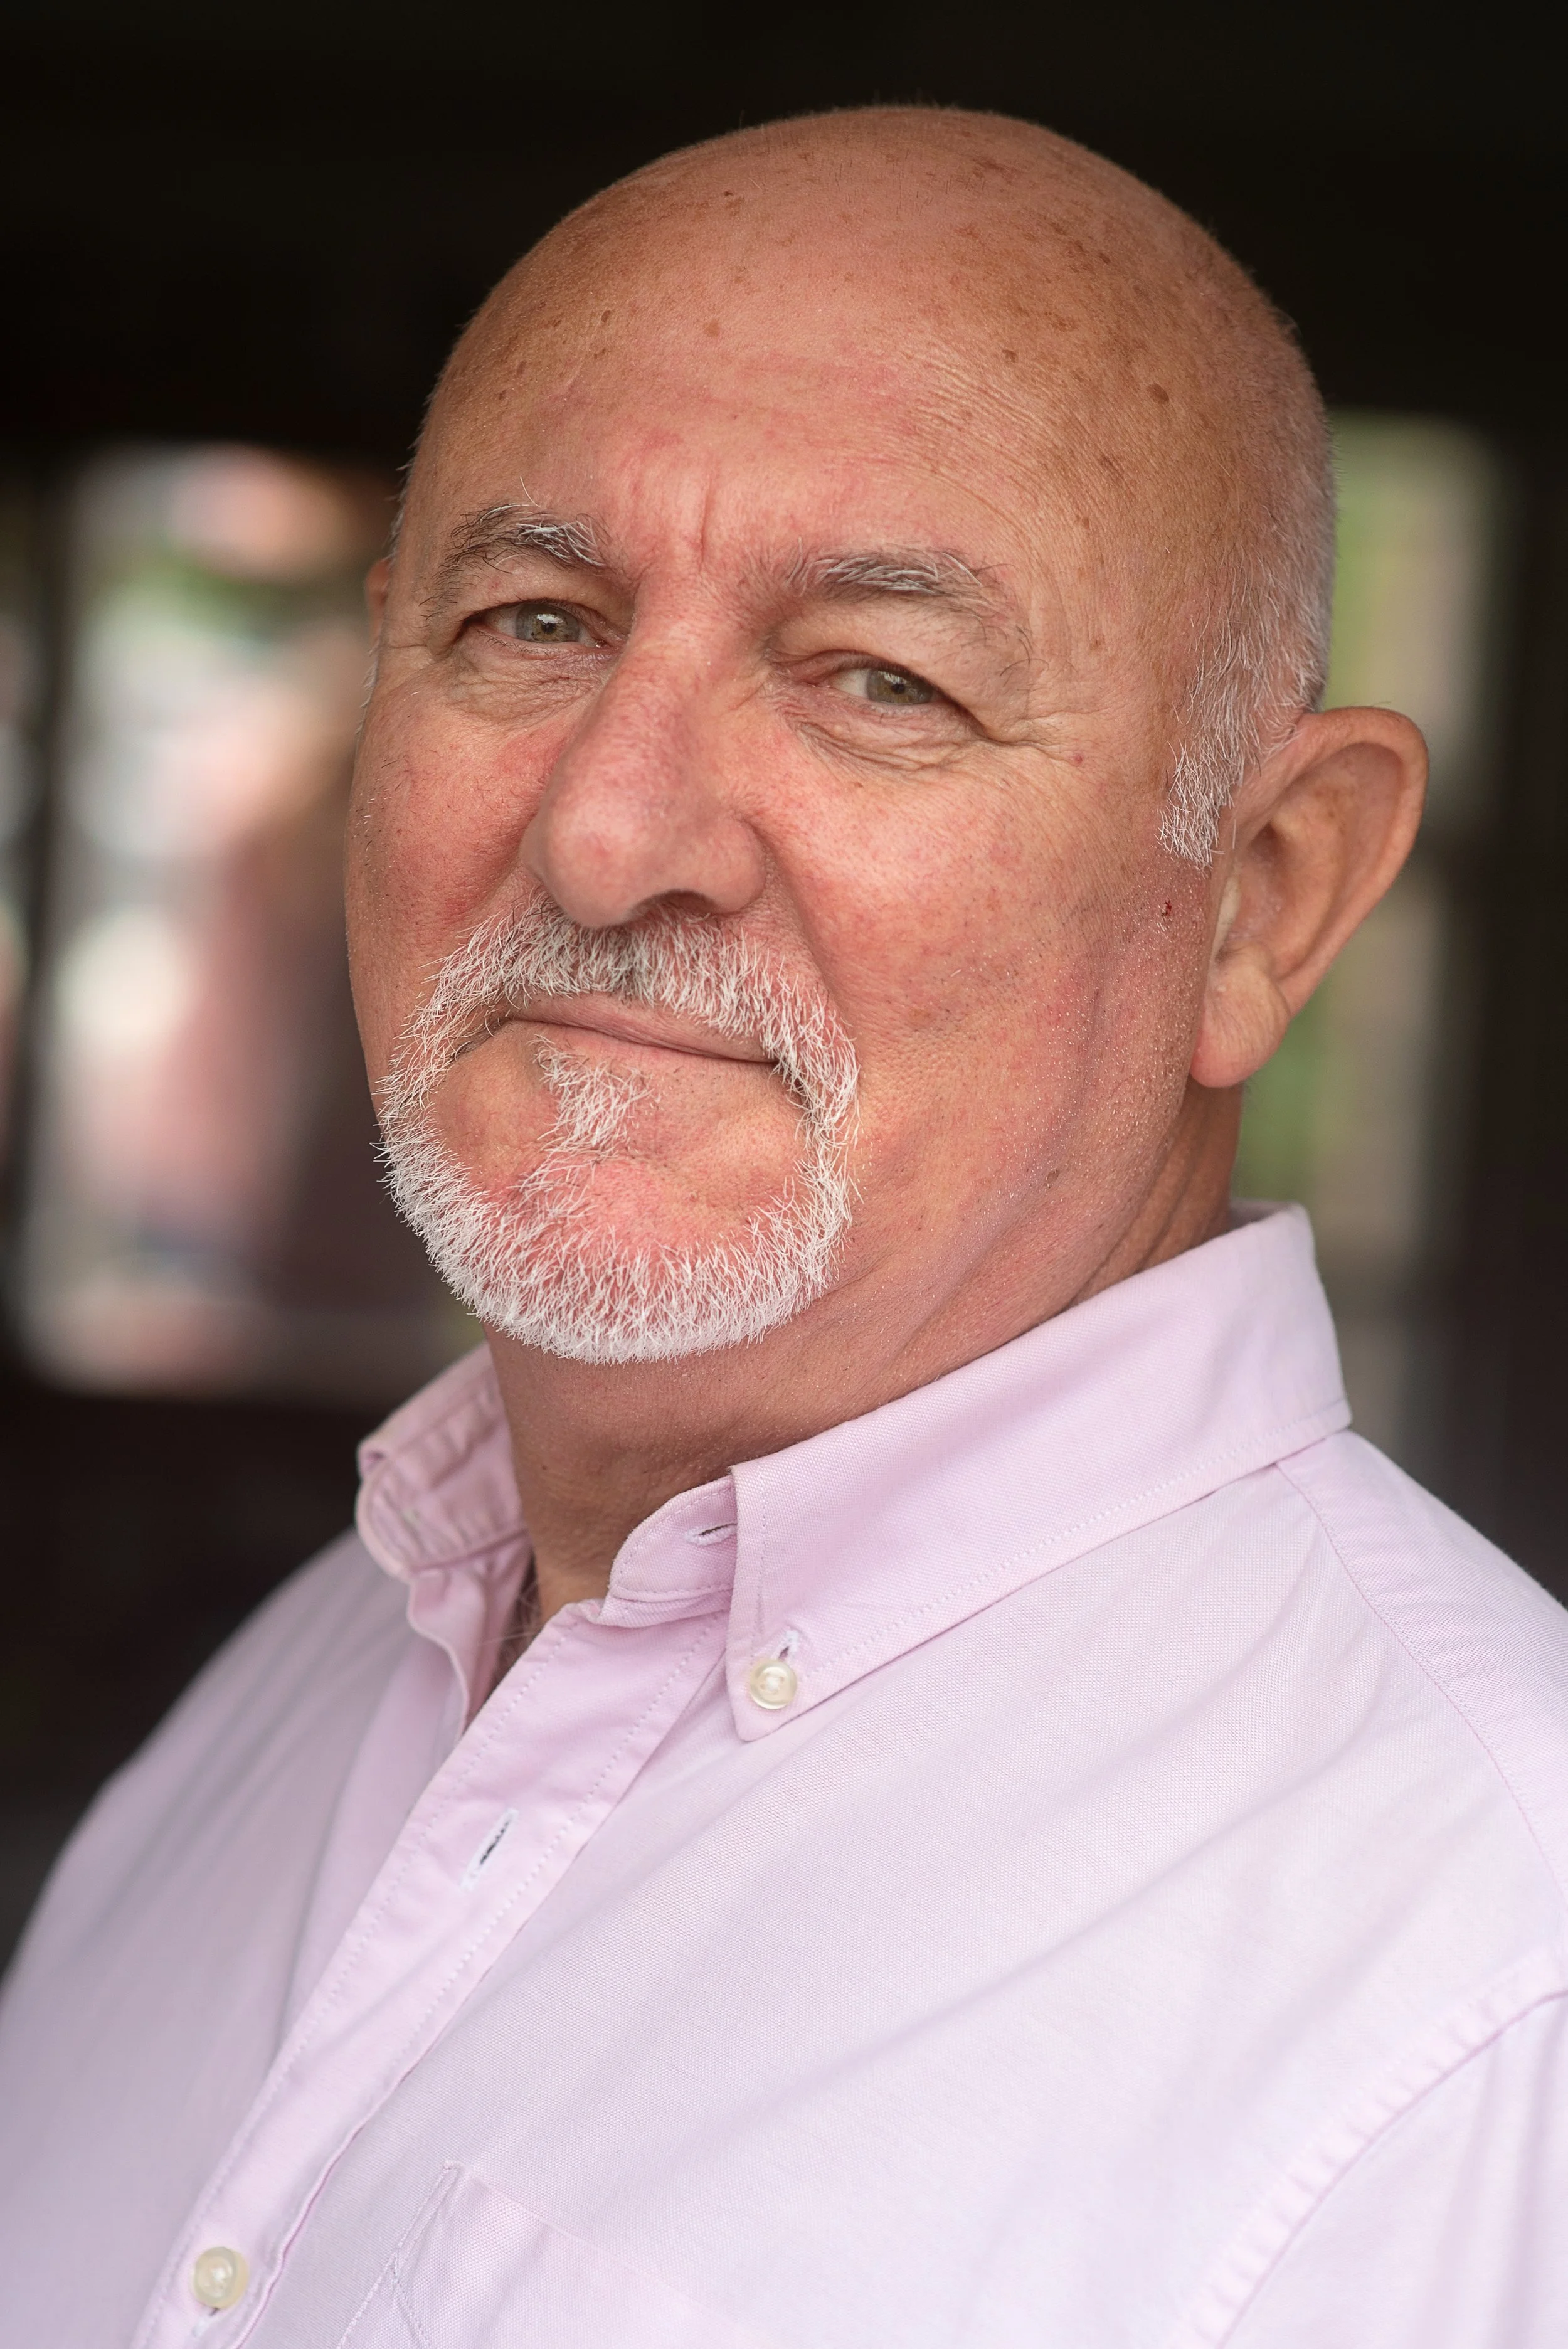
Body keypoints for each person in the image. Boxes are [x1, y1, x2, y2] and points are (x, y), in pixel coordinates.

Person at [2, 104, 1565, 2349]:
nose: (614, 832)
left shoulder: (1481, 2017)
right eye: (530, 623)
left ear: (1263, 897)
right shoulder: (283, 1700)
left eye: (877, 680)